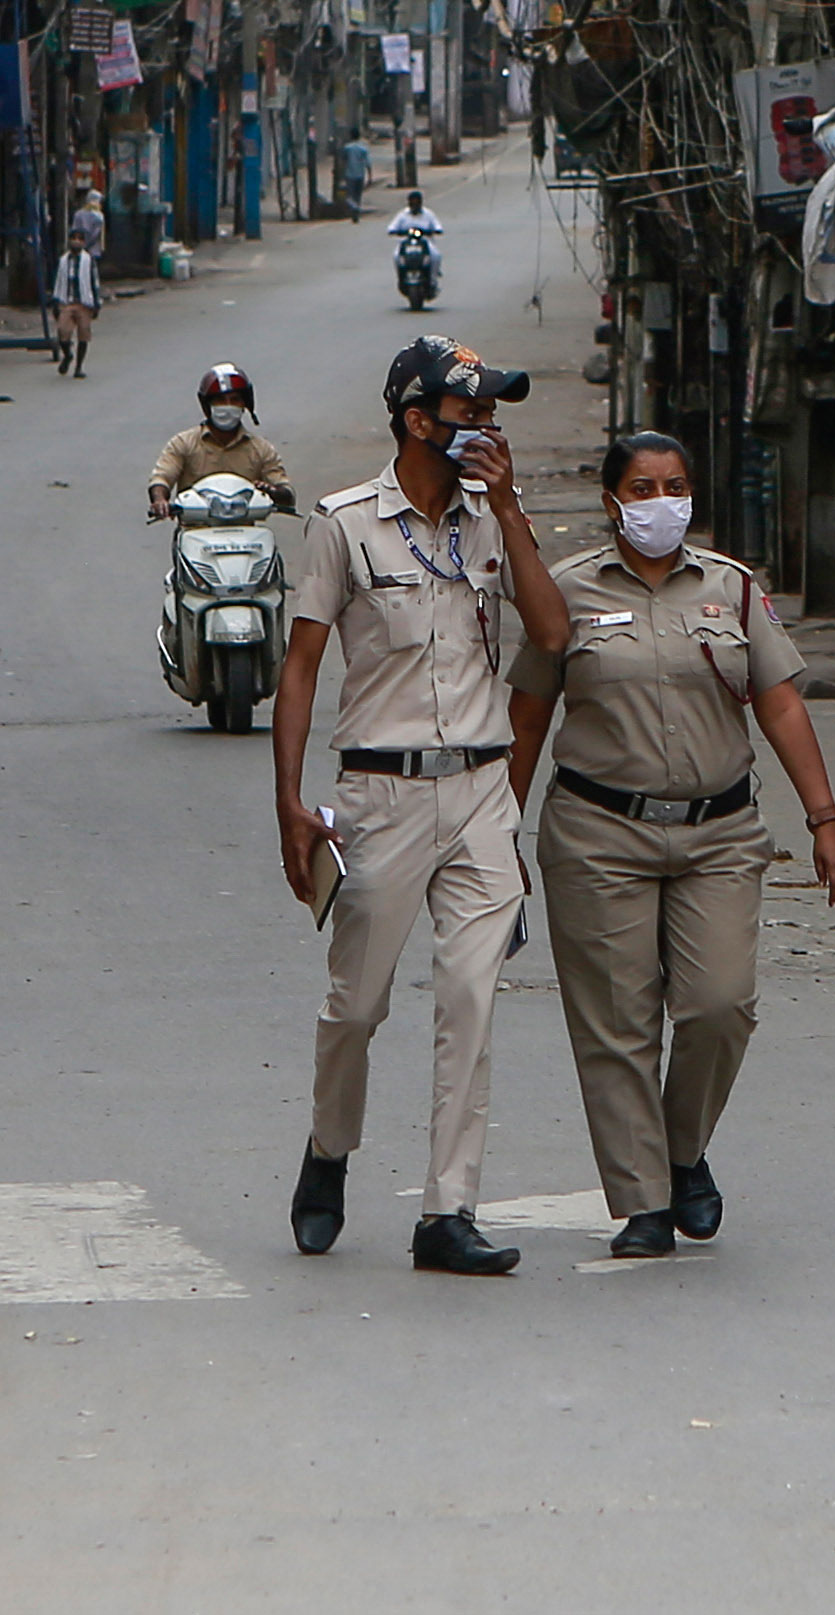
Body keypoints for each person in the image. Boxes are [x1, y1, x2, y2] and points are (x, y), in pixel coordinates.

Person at [510, 431, 835, 1256]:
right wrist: (497, 835)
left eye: (674, 485)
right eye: (641, 486)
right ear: (611, 501)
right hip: (597, 832)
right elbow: (528, 717)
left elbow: (778, 704)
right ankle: (644, 1204)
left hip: (721, 833)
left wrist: (825, 819)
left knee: (719, 1003)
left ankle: (681, 1149)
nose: (660, 500)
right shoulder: (565, 593)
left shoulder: (731, 589)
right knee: (616, 1022)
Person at [273, 336, 573, 1275]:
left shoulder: (490, 521)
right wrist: (289, 801)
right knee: (356, 1007)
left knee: (472, 999)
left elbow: (552, 634)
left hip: (482, 787)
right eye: (471, 413)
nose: (485, 429)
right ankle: (330, 1149)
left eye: (491, 415)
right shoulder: (346, 524)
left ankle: (448, 1209)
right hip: (380, 791)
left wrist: (514, 507)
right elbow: (303, 665)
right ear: (418, 420)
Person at [147, 362, 293, 525]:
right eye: (220, 400)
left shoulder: (261, 449)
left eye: (235, 400)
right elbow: (162, 477)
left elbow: (286, 493)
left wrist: (273, 492)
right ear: (207, 405)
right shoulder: (183, 443)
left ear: (245, 404)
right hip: (195, 532)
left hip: (247, 535)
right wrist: (160, 500)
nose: (228, 406)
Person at [48, 236, 103, 379]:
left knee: (83, 334)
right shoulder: (63, 261)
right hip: (66, 301)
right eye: (73, 239)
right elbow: (59, 281)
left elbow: (94, 281)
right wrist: (55, 302)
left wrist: (97, 303)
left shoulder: (88, 260)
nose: (76, 242)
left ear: (84, 243)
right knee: (62, 331)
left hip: (84, 302)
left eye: (79, 239)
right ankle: (67, 355)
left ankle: (79, 367)